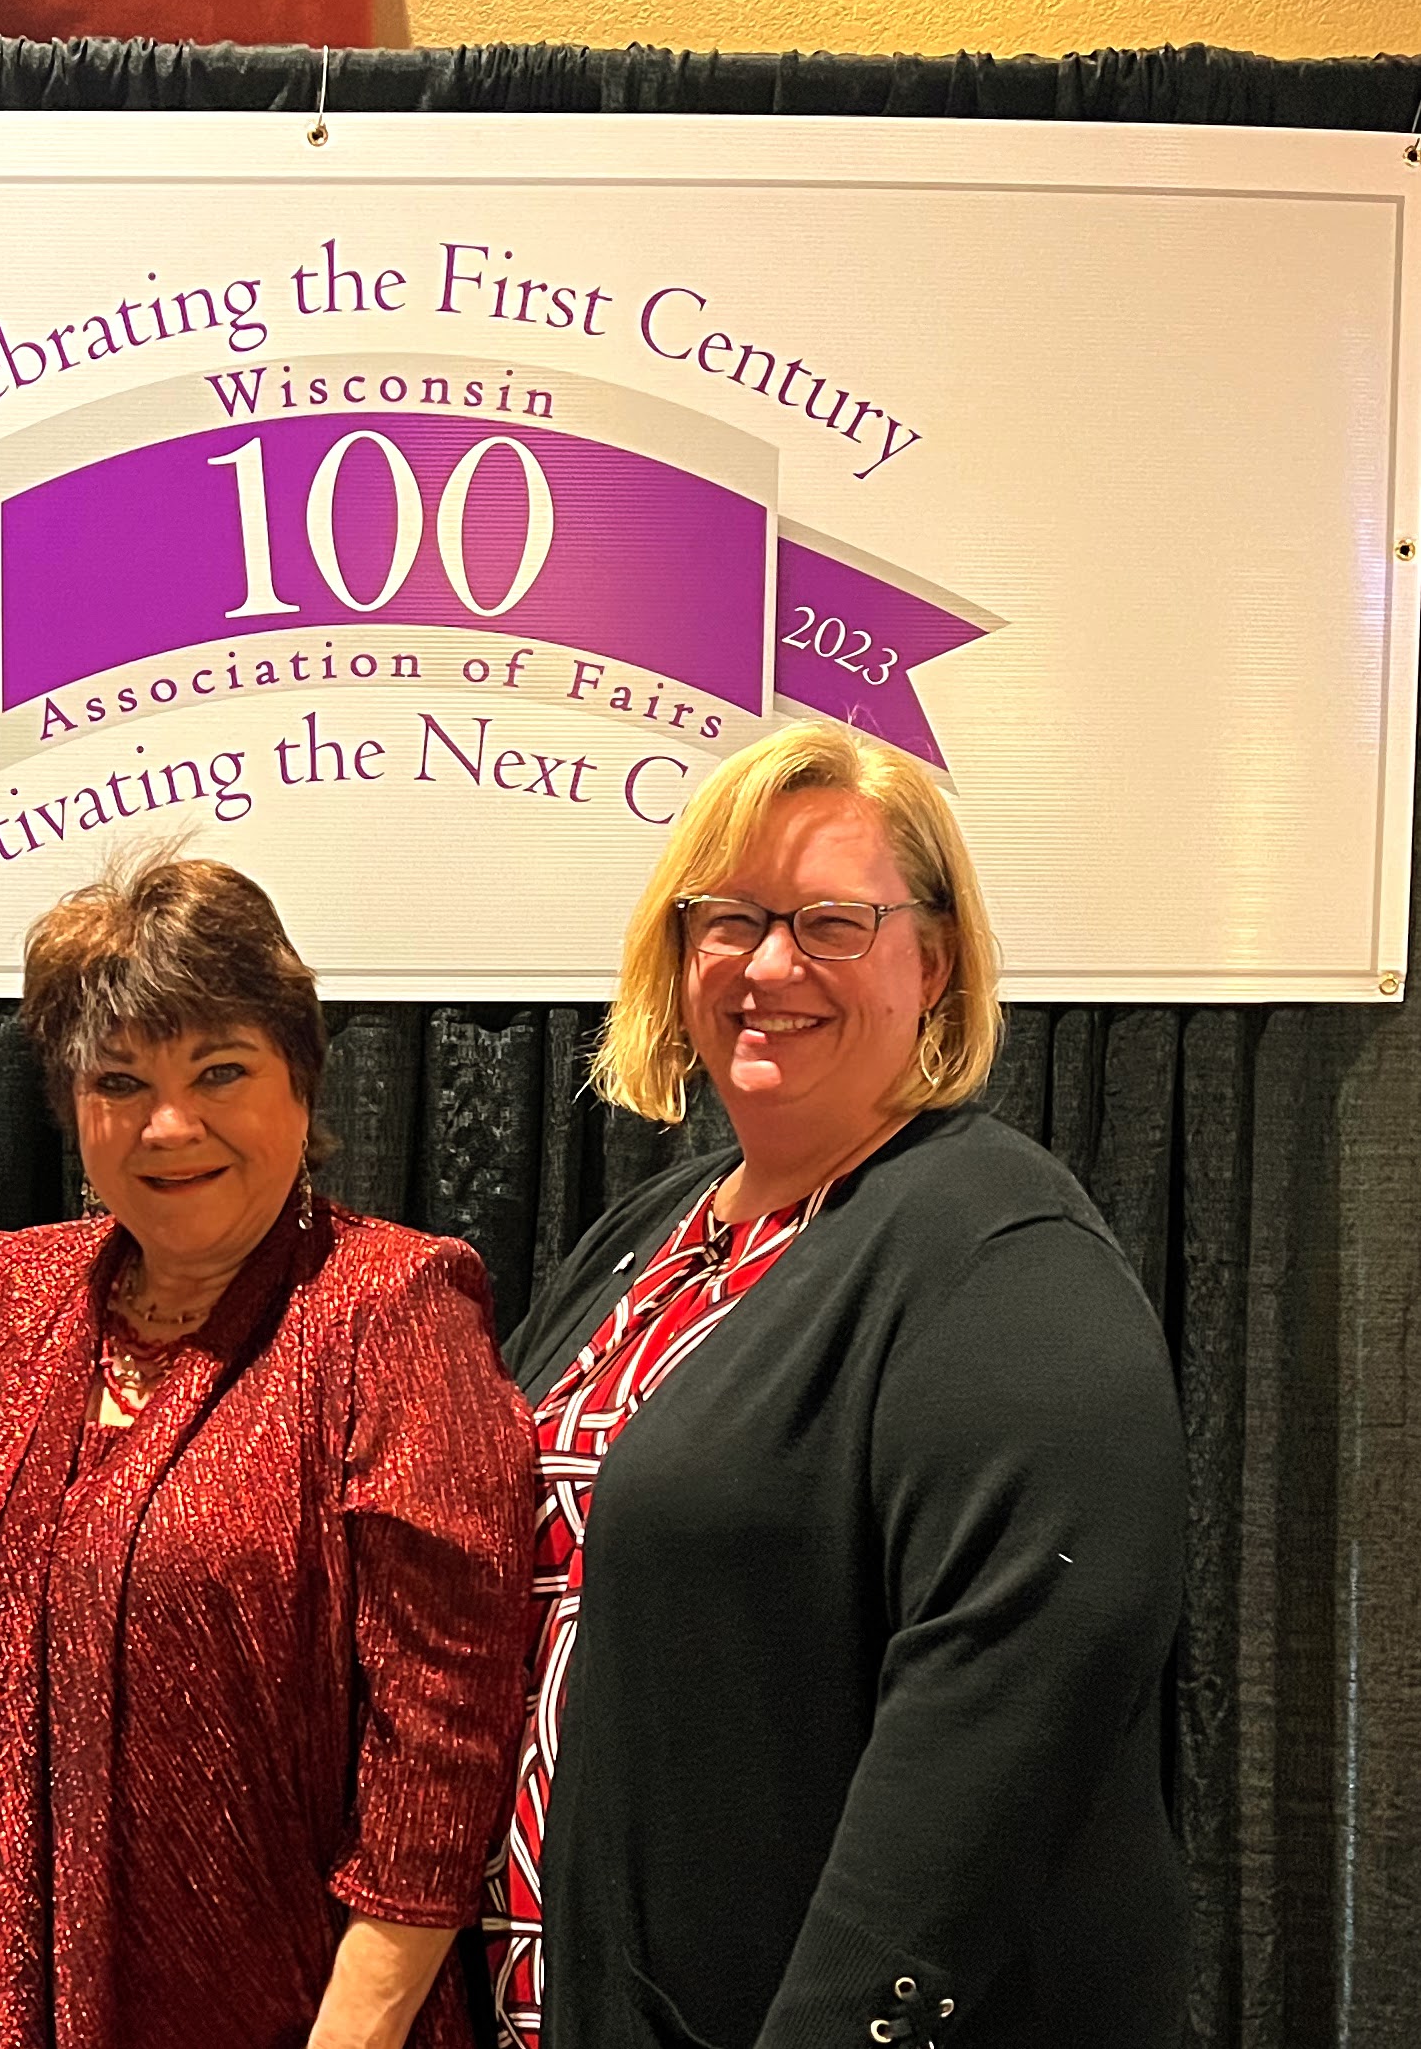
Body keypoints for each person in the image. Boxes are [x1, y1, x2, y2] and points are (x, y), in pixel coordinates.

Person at [487, 721, 1187, 2049]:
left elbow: (1004, 1711)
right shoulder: (641, 1237)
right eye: (729, 918)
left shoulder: (999, 1256)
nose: (765, 965)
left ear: (931, 960)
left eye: (827, 920)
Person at [0, 853, 534, 2049]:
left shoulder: (391, 1306)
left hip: (284, 2004)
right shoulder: (1, 1293)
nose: (167, 1125)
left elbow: (442, 1731)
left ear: (301, 1081)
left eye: (218, 1071)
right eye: (118, 1080)